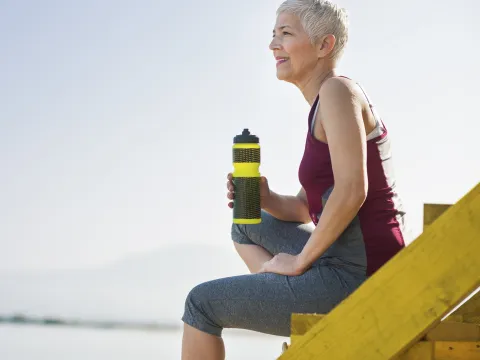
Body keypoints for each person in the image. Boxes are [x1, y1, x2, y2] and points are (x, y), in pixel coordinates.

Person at [180, 0, 409, 359]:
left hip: (362, 275)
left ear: (324, 46)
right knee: (246, 221)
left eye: (285, 34)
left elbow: (352, 191)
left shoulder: (337, 92)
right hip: (342, 260)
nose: (273, 45)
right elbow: (305, 207)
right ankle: (283, 292)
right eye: (273, 35)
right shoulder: (323, 104)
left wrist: (299, 262)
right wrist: (266, 196)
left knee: (200, 303)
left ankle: (287, 288)